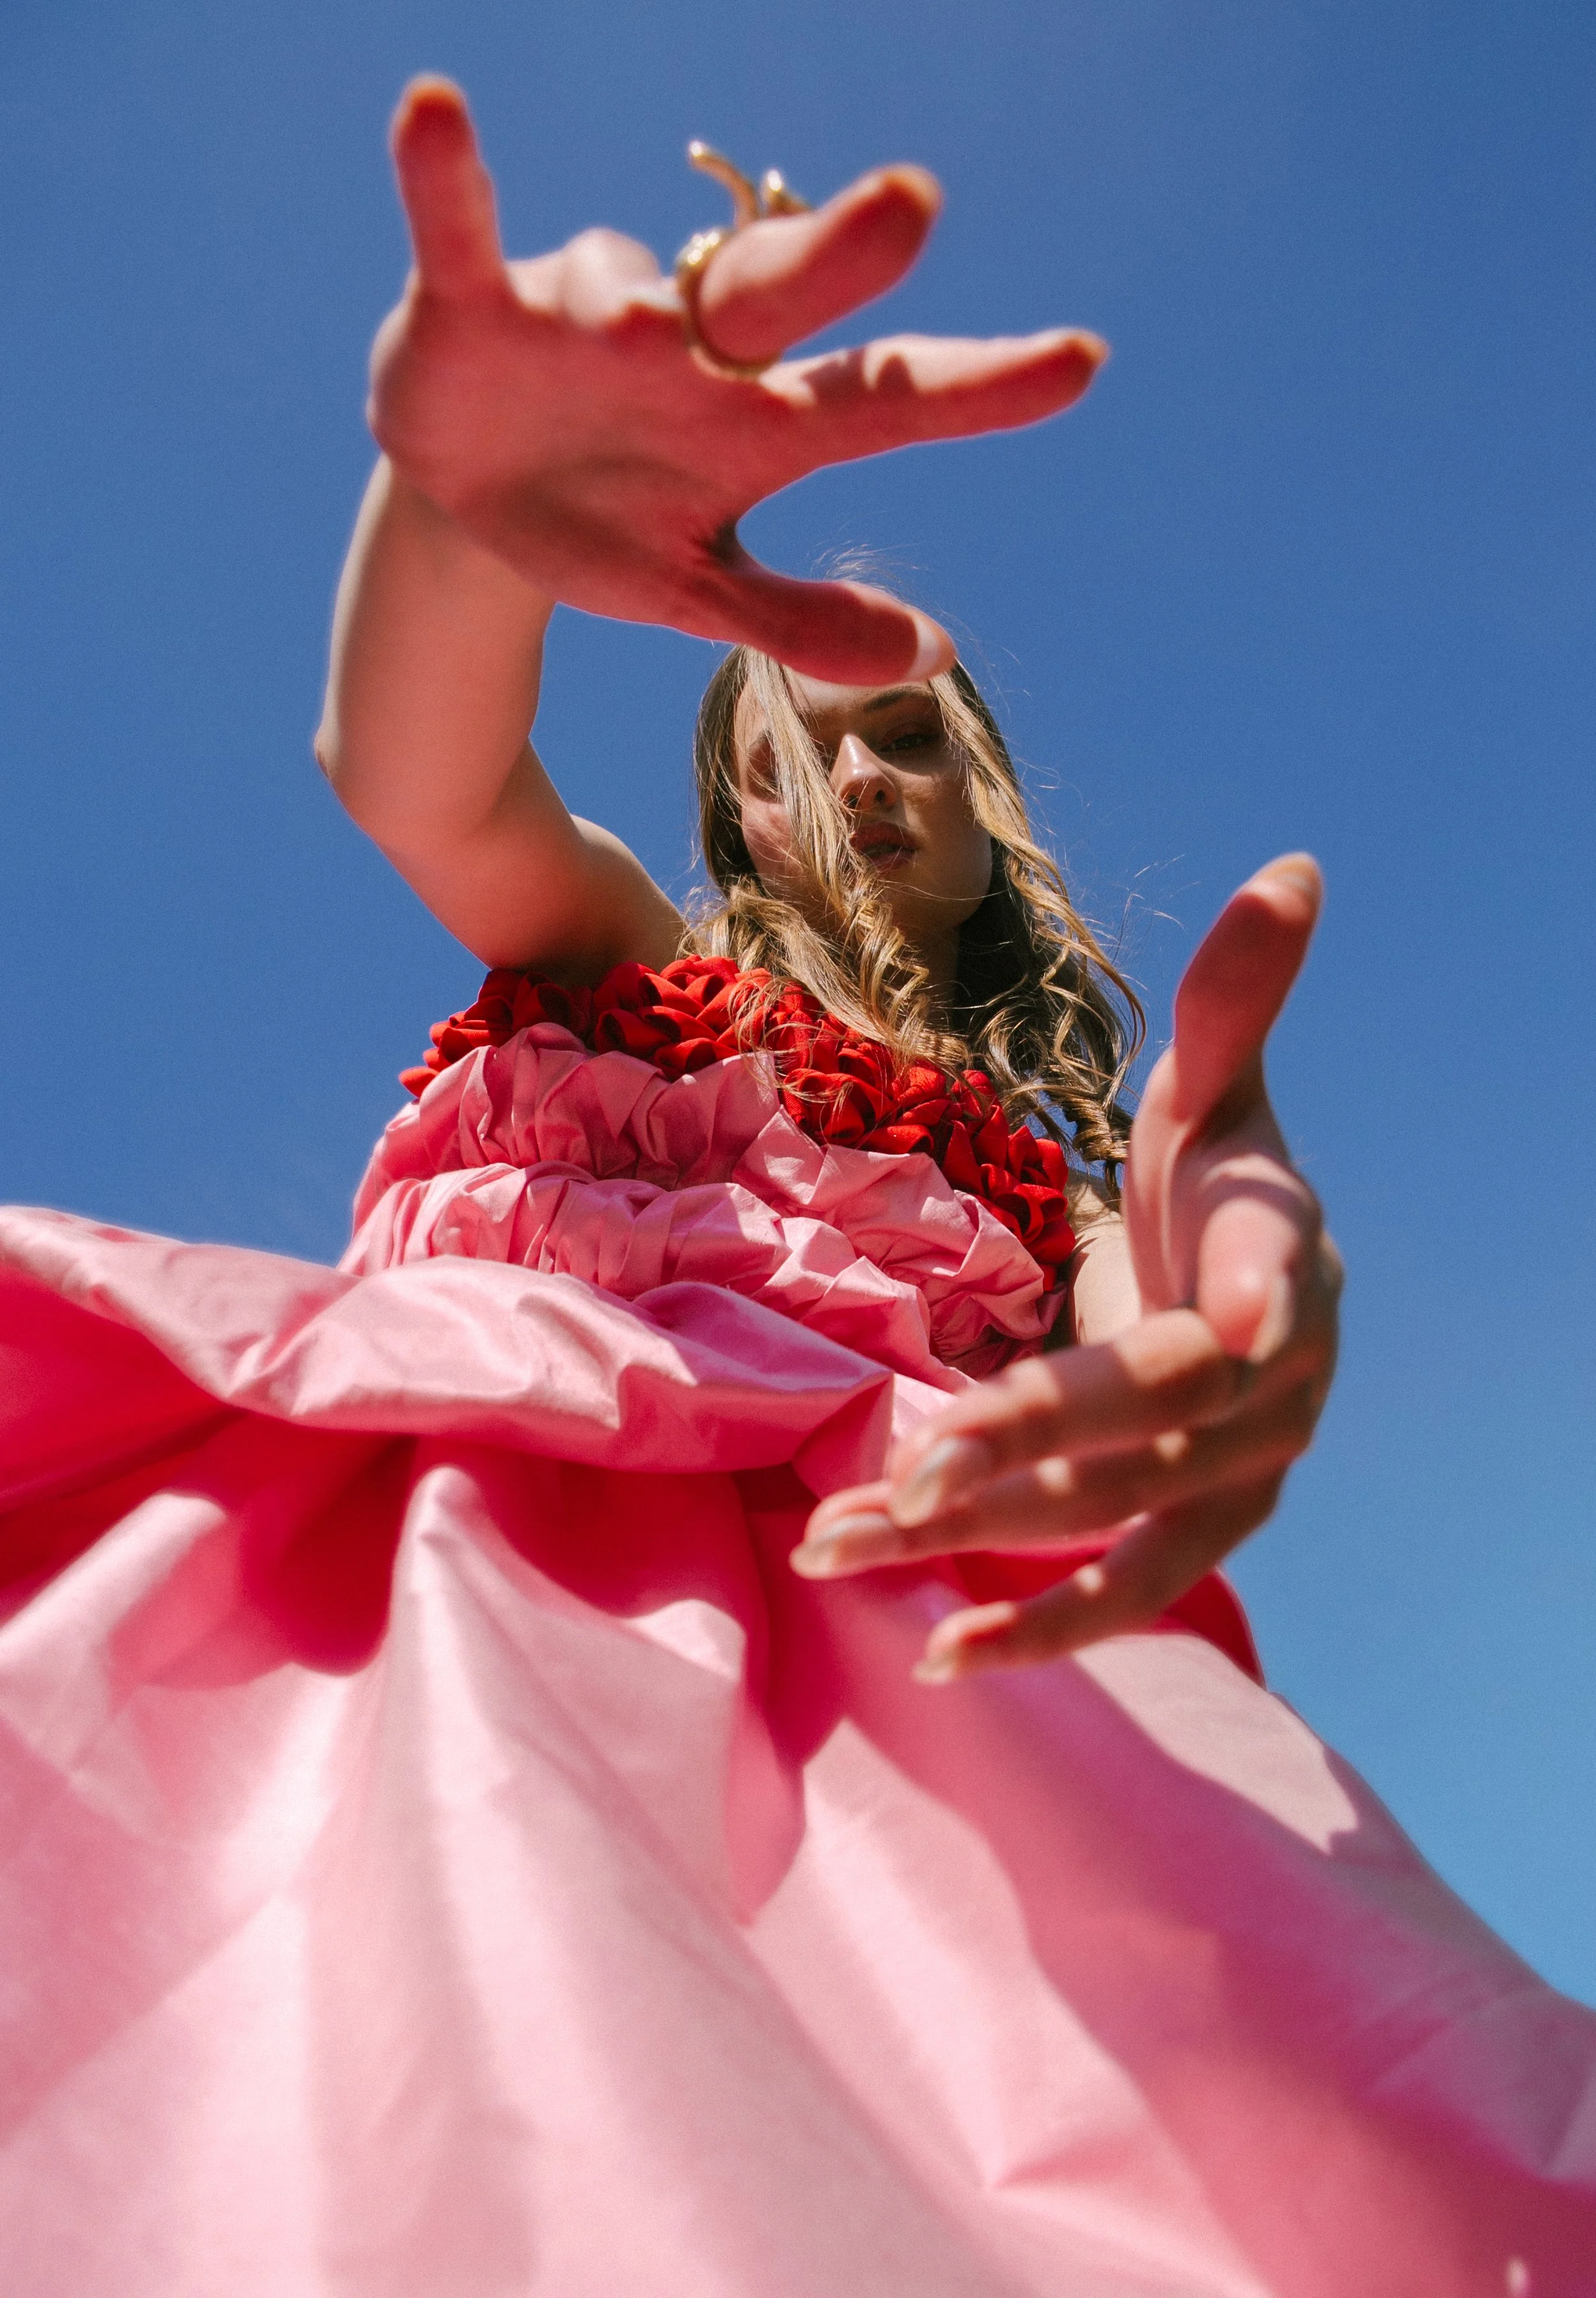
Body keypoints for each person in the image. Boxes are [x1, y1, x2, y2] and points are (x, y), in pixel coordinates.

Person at [0, 77, 1590, 2298]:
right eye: (805, 745)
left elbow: (1140, 1365)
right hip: (469, 1587)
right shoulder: (621, 972)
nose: (863, 767)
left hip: (920, 1726)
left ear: (983, 796)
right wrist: (467, 518)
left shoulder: (1045, 1174)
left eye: (908, 732)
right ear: (741, 819)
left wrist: (1231, 1312)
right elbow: (421, 773)